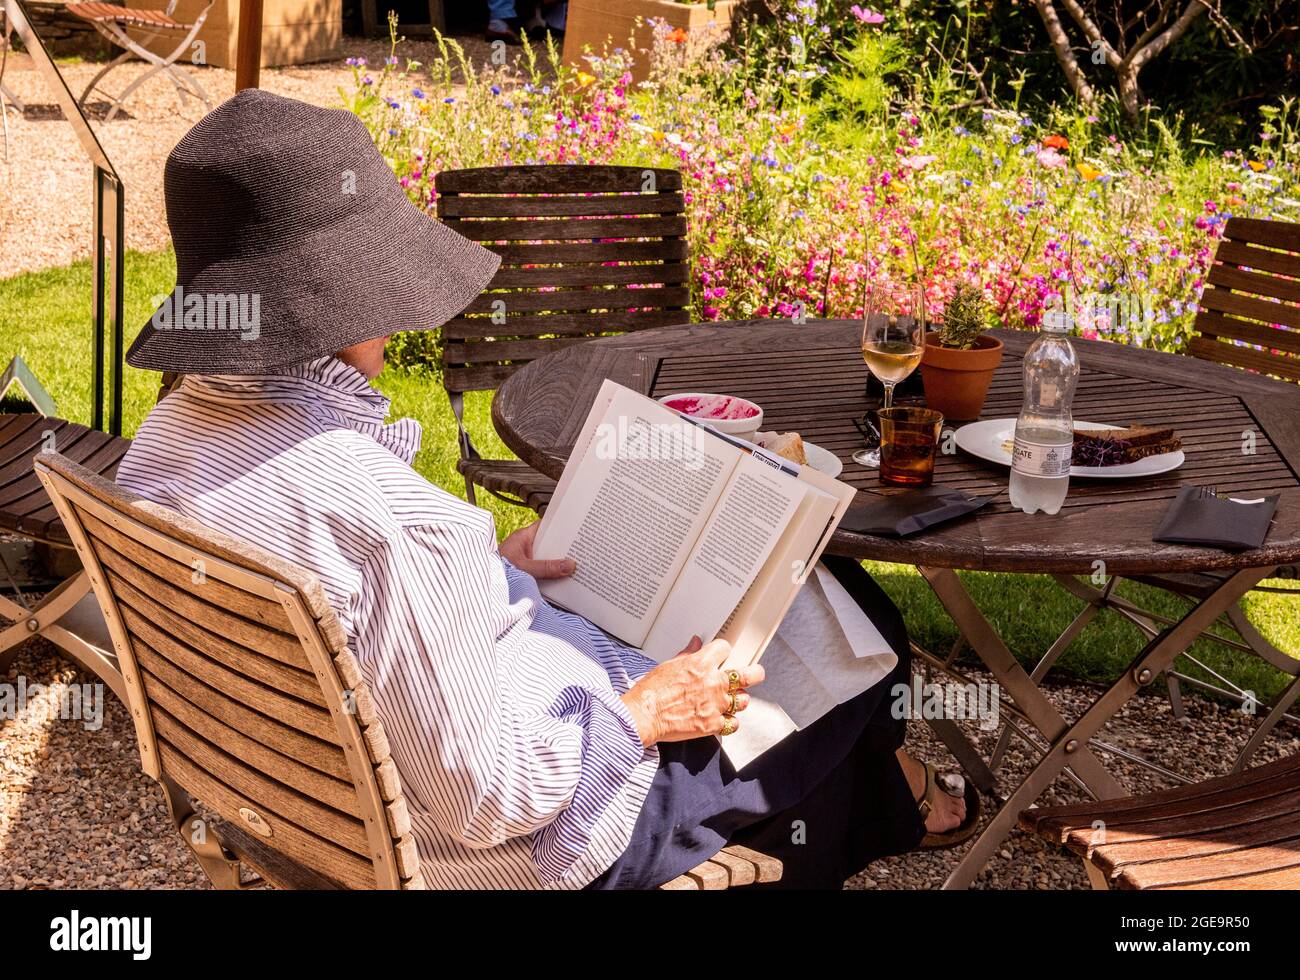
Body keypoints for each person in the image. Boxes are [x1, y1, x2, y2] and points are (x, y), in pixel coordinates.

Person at [117, 90, 975, 890]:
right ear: (350, 298)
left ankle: (898, 796)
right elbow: (487, 801)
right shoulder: (396, 523)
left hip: (291, 815)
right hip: (515, 851)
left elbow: (359, 611)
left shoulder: (161, 446)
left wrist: (485, 577)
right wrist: (644, 712)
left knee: (819, 641)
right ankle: (895, 798)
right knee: (859, 656)